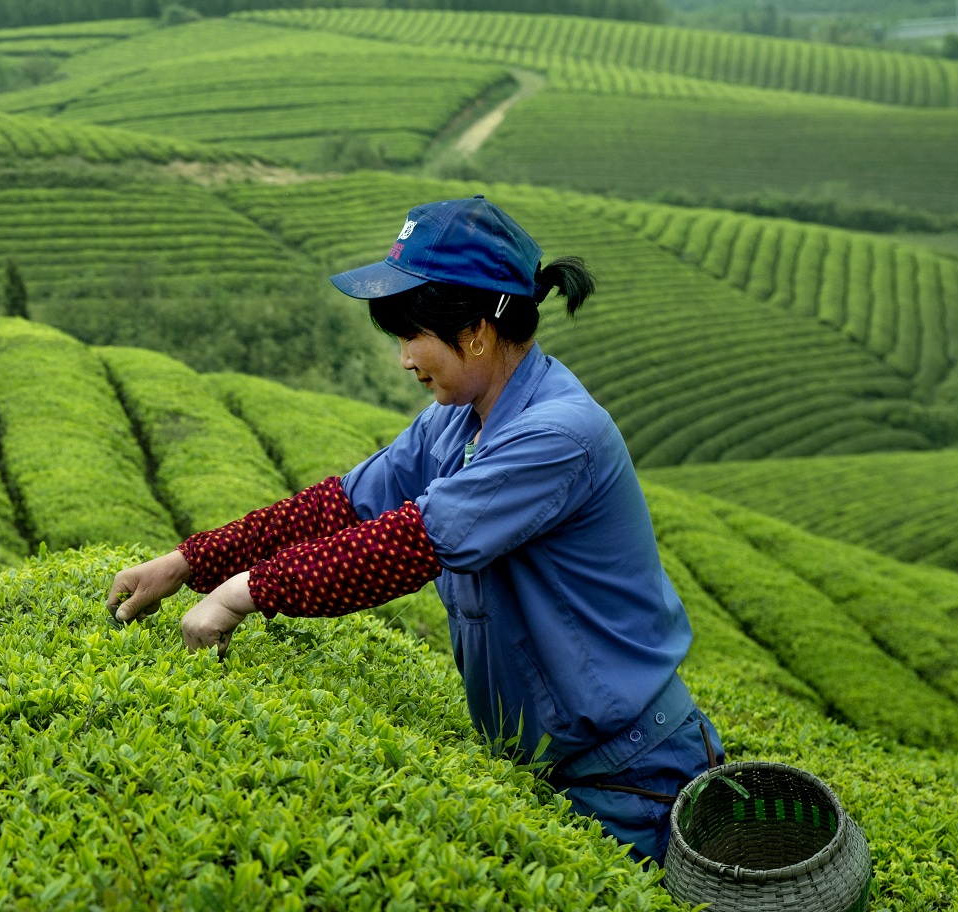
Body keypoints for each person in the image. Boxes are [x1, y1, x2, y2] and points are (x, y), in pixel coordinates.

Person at [104, 196, 723, 863]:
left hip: (631, 774)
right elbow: (341, 506)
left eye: (411, 334)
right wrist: (190, 561)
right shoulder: (459, 419)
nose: (404, 358)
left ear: (478, 330)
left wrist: (240, 594)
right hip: (559, 762)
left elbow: (406, 545)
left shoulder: (554, 434)